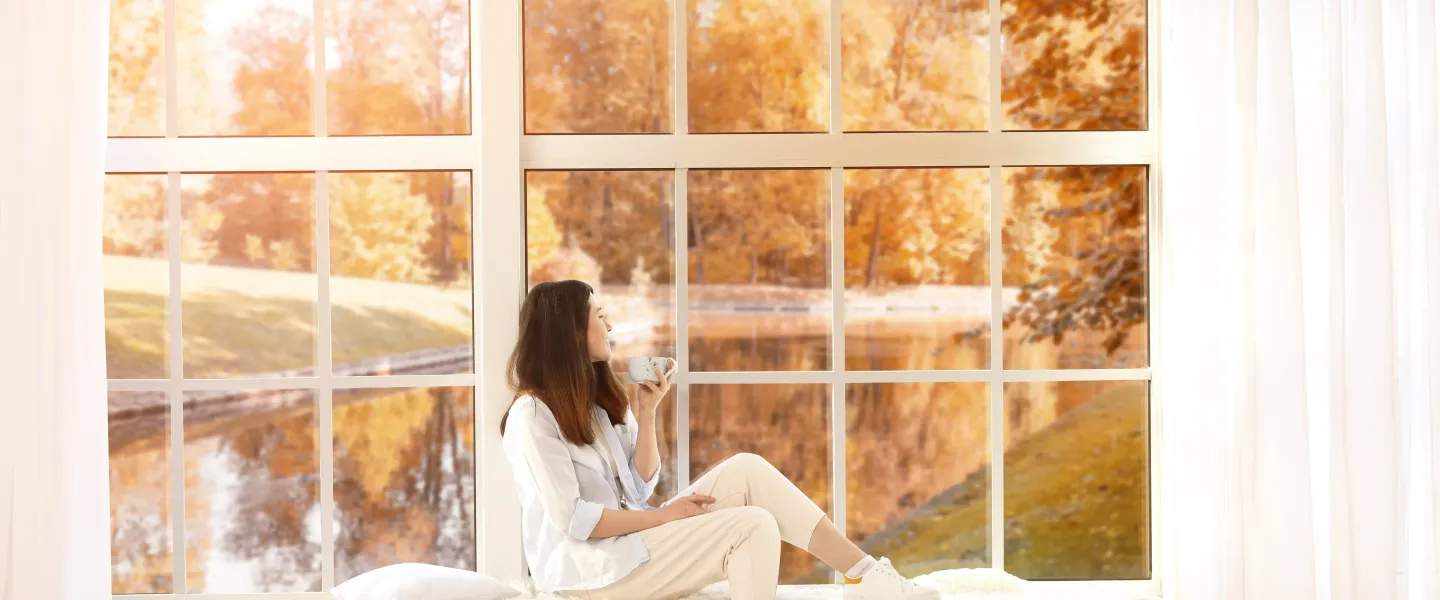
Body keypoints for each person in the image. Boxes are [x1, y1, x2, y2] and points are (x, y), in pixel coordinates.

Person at [501, 280, 941, 600]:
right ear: (571, 332)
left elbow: (639, 488)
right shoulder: (532, 416)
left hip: (626, 550)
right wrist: (663, 519)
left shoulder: (595, 405)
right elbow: (574, 519)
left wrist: (649, 411)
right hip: (587, 578)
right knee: (753, 525)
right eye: (599, 316)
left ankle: (866, 577)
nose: (610, 324)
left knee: (746, 468)